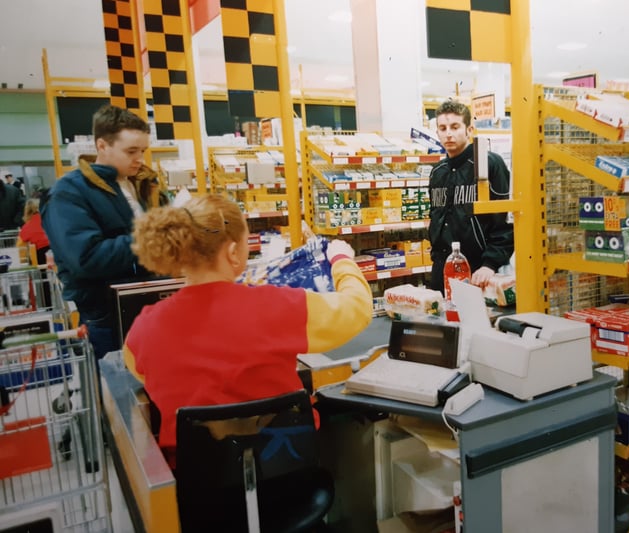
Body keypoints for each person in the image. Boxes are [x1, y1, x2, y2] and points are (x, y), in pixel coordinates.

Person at [121, 194, 373, 467]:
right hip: (288, 472)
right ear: (232, 252)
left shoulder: (144, 327)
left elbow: (140, 372)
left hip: (199, 487)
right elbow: (355, 308)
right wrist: (341, 260)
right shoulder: (276, 304)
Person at [41, 105, 164, 358]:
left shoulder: (142, 186)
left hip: (150, 305)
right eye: (131, 151)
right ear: (102, 146)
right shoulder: (69, 192)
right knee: (114, 389)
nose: (140, 159)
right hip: (105, 316)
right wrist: (154, 239)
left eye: (143, 151)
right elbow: (86, 258)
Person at [427, 100, 514, 293]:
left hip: (479, 271)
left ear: (469, 129)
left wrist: (490, 264)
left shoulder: (489, 164)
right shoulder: (437, 172)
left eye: (455, 127)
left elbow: (505, 221)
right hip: (442, 268)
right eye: (443, 128)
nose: (448, 133)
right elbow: (436, 218)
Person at [19, 197, 50, 265]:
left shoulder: (27, 227)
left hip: (40, 257)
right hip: (54, 251)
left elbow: (21, 244)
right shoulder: (49, 220)